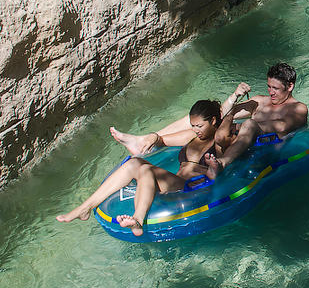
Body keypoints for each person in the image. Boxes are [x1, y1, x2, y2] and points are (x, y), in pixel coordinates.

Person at [55, 93, 257, 236]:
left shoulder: (222, 140)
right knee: (134, 163)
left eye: (199, 126)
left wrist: (234, 105)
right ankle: (85, 208)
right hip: (176, 181)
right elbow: (162, 139)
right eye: (192, 125)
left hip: (194, 186)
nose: (195, 130)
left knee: (145, 169)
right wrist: (152, 136)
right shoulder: (190, 136)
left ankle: (138, 219)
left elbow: (236, 136)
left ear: (213, 121)